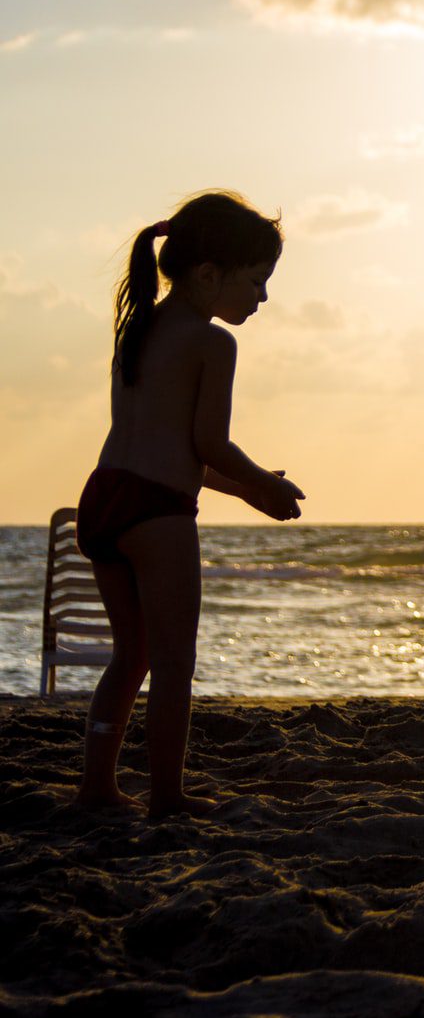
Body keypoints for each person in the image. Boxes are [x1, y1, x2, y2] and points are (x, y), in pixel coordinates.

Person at [73, 191, 305, 816]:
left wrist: (248, 491)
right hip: (156, 513)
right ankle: (167, 796)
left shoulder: (140, 327)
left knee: (133, 655)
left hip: (104, 498)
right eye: (257, 281)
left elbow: (175, 455)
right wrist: (268, 481)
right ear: (209, 274)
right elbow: (208, 443)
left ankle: (97, 787)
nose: (261, 297)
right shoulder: (212, 344)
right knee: (174, 663)